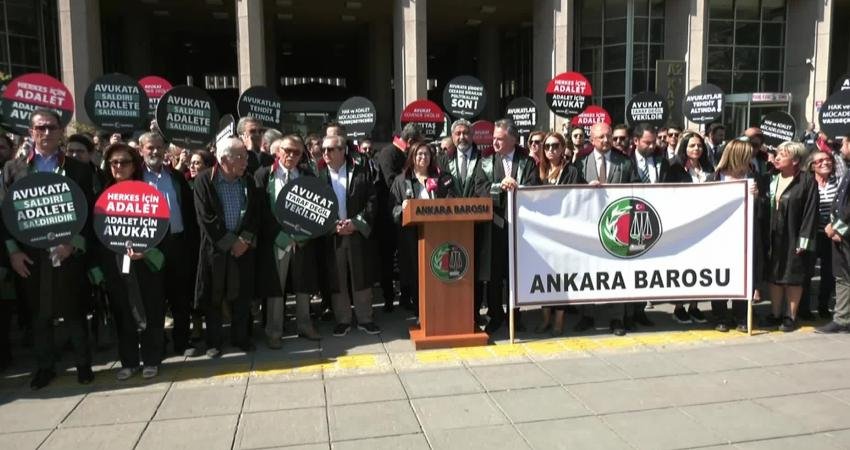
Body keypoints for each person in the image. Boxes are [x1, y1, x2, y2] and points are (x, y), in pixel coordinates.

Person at [0, 109, 96, 389]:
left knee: (74, 309)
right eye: (40, 128)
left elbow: (88, 213)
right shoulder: (12, 169)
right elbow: (4, 215)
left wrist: (72, 245)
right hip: (29, 255)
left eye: (51, 127)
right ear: (30, 132)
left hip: (66, 251)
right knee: (38, 314)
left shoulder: (77, 168)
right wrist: (13, 252)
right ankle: (45, 366)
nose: (46, 133)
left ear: (60, 131)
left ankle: (83, 364)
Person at [96, 143, 167, 379]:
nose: (118, 166)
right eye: (114, 162)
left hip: (145, 262)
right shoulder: (101, 194)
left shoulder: (148, 193)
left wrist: (147, 252)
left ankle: (151, 359)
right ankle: (128, 361)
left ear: (134, 165)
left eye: (124, 162)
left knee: (150, 310)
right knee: (122, 310)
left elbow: (160, 231)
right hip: (115, 262)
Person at [194, 137, 260, 357]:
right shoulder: (204, 180)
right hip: (216, 250)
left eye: (246, 156)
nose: (245, 162)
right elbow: (206, 218)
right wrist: (231, 243)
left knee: (242, 295)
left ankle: (241, 338)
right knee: (215, 295)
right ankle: (214, 341)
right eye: (240, 157)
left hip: (243, 248)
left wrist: (244, 241)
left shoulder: (248, 181)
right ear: (223, 159)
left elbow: (254, 214)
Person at [254, 136, 323, 347]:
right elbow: (261, 210)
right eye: (287, 150)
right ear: (278, 151)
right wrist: (279, 235)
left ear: (302, 155)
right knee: (276, 287)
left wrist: (303, 234)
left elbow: (315, 207)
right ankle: (274, 331)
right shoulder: (264, 175)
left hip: (302, 240)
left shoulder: (307, 174)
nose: (291, 155)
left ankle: (304, 324)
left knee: (303, 283)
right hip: (276, 240)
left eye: (297, 152)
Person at [473, 119, 539, 333]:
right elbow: (479, 188)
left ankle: (515, 315)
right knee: (493, 274)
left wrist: (518, 188)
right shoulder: (486, 162)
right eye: (494, 138)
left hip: (520, 228)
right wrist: (499, 187)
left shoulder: (527, 162)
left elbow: (534, 187)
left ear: (512, 139)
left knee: (515, 272)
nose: (495, 142)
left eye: (500, 139)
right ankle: (495, 314)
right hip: (495, 227)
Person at [574, 122, 639, 336]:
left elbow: (636, 188)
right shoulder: (581, 162)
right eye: (601, 137)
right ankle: (587, 314)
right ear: (591, 140)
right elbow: (571, 192)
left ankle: (616, 318)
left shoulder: (625, 162)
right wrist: (585, 189)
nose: (606, 140)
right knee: (589, 269)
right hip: (589, 226)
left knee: (616, 271)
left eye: (608, 136)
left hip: (617, 227)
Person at [139, 132, 199, 357]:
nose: (155, 151)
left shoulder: (175, 176)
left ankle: (182, 342)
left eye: (158, 147)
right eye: (150, 148)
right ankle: (157, 345)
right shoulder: (135, 177)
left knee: (180, 297)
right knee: (153, 299)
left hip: (177, 244)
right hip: (150, 248)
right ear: (141, 150)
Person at [319, 134, 381, 336]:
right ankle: (343, 319)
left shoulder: (361, 172)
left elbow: (372, 201)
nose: (325, 153)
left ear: (342, 151)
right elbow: (313, 208)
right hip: (333, 235)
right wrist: (332, 226)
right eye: (324, 149)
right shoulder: (318, 176)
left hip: (356, 233)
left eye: (330, 149)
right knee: (338, 278)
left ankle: (365, 318)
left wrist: (356, 223)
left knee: (360, 275)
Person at [710, 139, 769, 332]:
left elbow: (762, 212)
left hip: (745, 238)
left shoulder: (753, 177)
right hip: (720, 238)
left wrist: (757, 197)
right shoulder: (715, 178)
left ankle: (742, 315)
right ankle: (720, 315)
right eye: (747, 156)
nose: (750, 159)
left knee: (743, 276)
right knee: (720, 276)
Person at [391, 142, 455, 315]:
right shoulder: (401, 180)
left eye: (426, 154)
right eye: (419, 154)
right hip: (412, 238)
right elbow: (392, 210)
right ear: (412, 157)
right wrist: (402, 208)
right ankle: (421, 310)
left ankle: (440, 309)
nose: (423, 157)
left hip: (438, 236)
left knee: (437, 272)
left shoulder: (441, 178)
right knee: (417, 275)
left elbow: (452, 202)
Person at [763, 141, 818, 332]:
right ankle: (775, 313)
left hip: (794, 235)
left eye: (782, 155)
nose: (776, 158)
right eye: (776, 154)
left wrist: (803, 241)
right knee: (774, 275)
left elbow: (811, 213)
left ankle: (790, 316)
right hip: (773, 235)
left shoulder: (807, 181)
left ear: (795, 160)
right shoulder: (771, 178)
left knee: (793, 276)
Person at [534, 132, 584, 336]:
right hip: (542, 233)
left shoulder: (572, 170)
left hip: (564, 233)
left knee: (562, 277)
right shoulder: (538, 170)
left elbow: (579, 195)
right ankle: (545, 319)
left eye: (555, 146)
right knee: (542, 276)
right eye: (547, 146)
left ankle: (559, 321)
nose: (551, 150)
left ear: (563, 148)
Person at [439, 118, 486, 324]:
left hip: (476, 223)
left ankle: (474, 313)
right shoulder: (442, 160)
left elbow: (483, 186)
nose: (461, 137)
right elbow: (440, 188)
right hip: (450, 224)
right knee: (453, 268)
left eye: (465, 133)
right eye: (457, 133)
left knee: (473, 269)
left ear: (472, 135)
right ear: (452, 136)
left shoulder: (483, 157)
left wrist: (470, 209)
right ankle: (453, 310)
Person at [374, 124, 423, 311]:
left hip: (407, 216)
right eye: (417, 143)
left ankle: (406, 295)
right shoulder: (389, 153)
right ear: (410, 141)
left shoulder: (405, 153)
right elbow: (391, 182)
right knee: (388, 258)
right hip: (389, 217)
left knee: (407, 257)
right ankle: (388, 298)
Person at [667, 132, 714, 324]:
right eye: (692, 145)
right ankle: (679, 307)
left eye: (699, 146)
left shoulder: (709, 168)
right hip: (683, 226)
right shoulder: (674, 167)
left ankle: (694, 306)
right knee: (684, 267)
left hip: (706, 226)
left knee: (701, 267)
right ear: (684, 147)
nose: (696, 149)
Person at [626, 123, 668, 327]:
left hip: (654, 220)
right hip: (631, 221)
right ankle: (626, 312)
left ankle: (640, 309)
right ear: (635, 141)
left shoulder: (662, 160)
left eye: (654, 142)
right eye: (647, 142)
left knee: (646, 268)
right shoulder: (626, 161)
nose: (652, 146)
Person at [801, 149, 839, 320]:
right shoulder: (806, 183)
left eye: (828, 159)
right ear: (812, 166)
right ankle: (804, 308)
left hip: (833, 236)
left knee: (829, 274)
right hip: (812, 234)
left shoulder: (839, 182)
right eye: (820, 161)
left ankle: (824, 305)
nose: (825, 163)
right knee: (806, 272)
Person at [818, 149, 850, 333]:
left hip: (843, 231)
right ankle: (843, 318)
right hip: (840, 233)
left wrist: (838, 227)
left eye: (846, 143)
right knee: (843, 276)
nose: (843, 148)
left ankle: (842, 319)